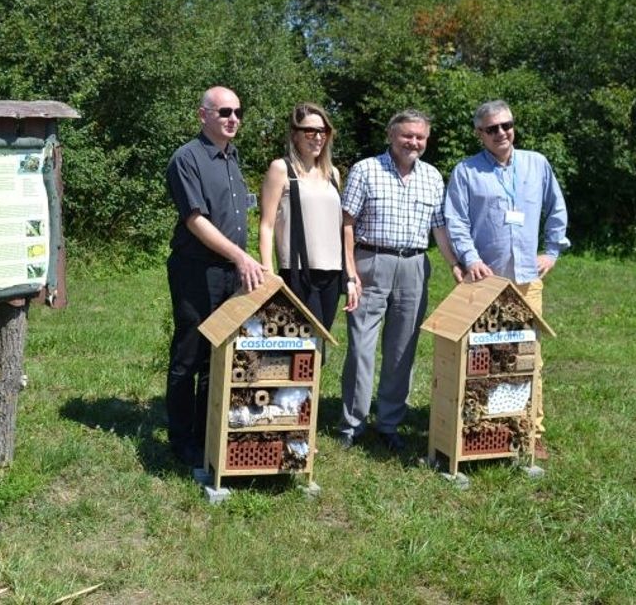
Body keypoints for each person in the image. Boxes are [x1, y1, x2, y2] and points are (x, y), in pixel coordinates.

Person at [443, 99, 569, 457]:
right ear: (479, 134)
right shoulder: (466, 172)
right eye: (492, 128)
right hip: (485, 282)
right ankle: (480, 427)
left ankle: (532, 430)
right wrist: (470, 259)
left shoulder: (537, 164)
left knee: (528, 355)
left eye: (506, 125)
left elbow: (557, 209)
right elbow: (457, 222)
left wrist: (552, 250)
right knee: (483, 357)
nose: (502, 133)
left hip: (528, 280)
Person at [338, 109, 460, 452]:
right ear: (391, 135)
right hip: (371, 262)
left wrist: (453, 264)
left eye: (420, 137)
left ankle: (389, 423)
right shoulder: (366, 170)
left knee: (402, 350)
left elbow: (439, 227)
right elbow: (346, 223)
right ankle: (352, 424)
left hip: (414, 266)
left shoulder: (433, 177)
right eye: (407, 135)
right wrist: (350, 272)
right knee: (361, 347)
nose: (414, 142)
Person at [165, 86, 265, 468]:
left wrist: (245, 261)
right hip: (197, 270)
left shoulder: (231, 158)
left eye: (238, 111)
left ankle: (210, 432)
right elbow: (195, 220)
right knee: (189, 355)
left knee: (219, 355)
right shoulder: (186, 159)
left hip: (230, 272)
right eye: (224, 112)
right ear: (202, 115)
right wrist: (242, 257)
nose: (233, 118)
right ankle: (181, 440)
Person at [258, 103, 358, 331]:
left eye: (323, 131)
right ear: (295, 135)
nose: (318, 137)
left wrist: (349, 278)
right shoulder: (282, 169)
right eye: (310, 131)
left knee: (318, 348)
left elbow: (340, 229)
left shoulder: (332, 173)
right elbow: (266, 225)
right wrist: (268, 274)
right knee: (298, 347)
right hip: (298, 273)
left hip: (332, 274)